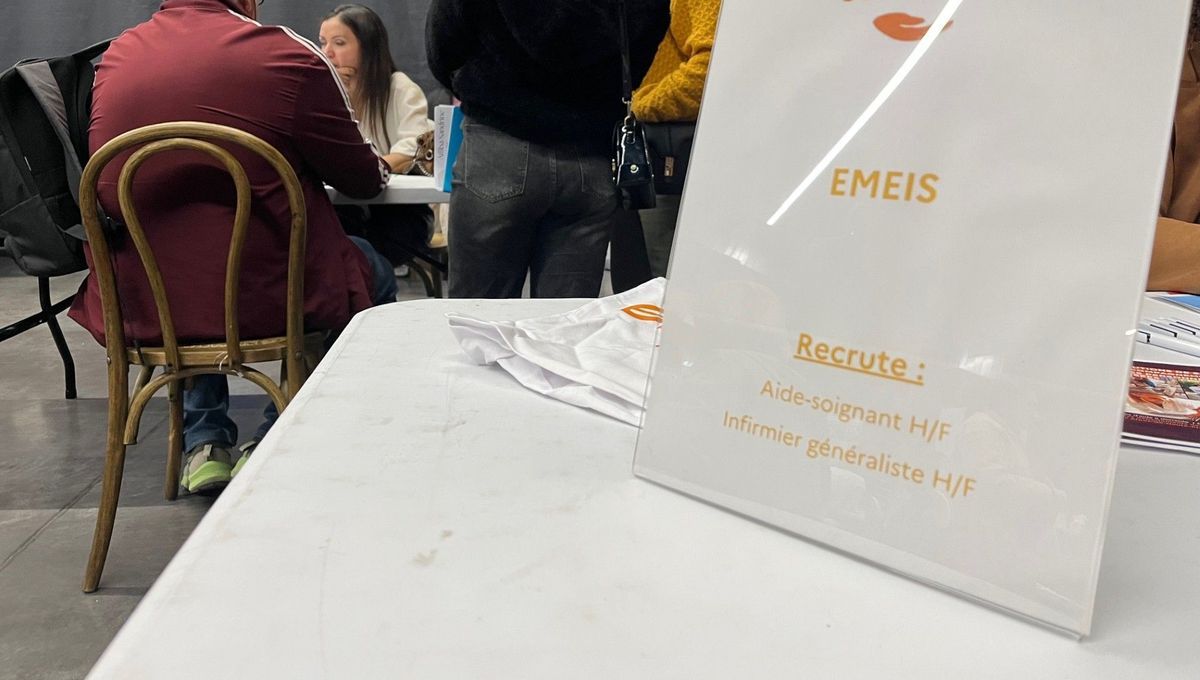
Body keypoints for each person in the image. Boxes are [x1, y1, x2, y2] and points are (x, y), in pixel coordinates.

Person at [70, 0, 396, 494]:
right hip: (268, 298)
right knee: (373, 269)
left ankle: (204, 444)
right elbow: (364, 180)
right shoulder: (286, 54)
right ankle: (275, 440)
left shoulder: (117, 58)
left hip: (144, 304)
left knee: (187, 260)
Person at [426, 0, 670, 299]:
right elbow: (646, 37)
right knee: (566, 318)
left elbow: (444, 39)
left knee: (479, 313)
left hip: (499, 141)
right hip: (592, 154)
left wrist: (475, 87)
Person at [319, 4, 437, 272]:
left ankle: (372, 286)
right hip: (345, 207)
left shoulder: (399, 88)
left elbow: (413, 150)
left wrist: (367, 170)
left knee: (355, 254)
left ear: (368, 47)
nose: (327, 53)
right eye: (323, 43)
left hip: (398, 215)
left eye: (339, 43)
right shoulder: (325, 92)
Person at [629, 0, 720, 278]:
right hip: (653, 146)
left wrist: (641, 105)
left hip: (670, 151)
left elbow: (710, 67)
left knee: (659, 282)